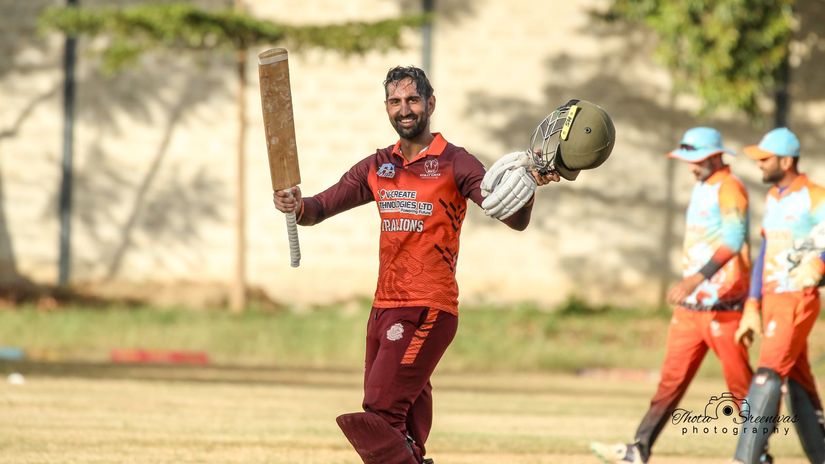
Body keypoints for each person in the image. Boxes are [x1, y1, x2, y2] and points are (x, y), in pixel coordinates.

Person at [272, 66, 565, 464]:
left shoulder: (455, 162)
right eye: (395, 101)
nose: (404, 109)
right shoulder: (378, 166)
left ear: (430, 103)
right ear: (387, 107)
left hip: (428, 308)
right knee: (401, 427)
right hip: (383, 308)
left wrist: (527, 188)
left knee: (379, 409)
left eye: (412, 100)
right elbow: (318, 208)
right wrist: (296, 204)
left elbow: (512, 217)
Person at [590, 127, 755, 464]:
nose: (690, 167)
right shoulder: (702, 187)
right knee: (669, 384)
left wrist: (696, 278)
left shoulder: (730, 188)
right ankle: (639, 448)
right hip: (691, 310)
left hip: (724, 308)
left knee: (742, 390)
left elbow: (734, 240)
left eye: (694, 161)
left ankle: (757, 454)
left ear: (712, 156)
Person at [730, 127, 825, 464]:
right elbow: (766, 247)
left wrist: (820, 263)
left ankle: (745, 459)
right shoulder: (774, 198)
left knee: (767, 374)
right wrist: (752, 304)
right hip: (771, 299)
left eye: (765, 159)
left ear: (786, 160)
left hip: (796, 297)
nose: (759, 164)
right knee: (798, 382)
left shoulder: (816, 196)